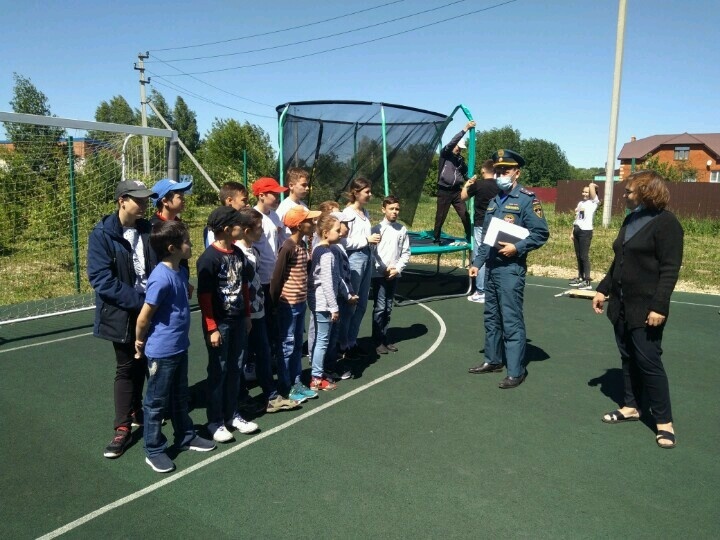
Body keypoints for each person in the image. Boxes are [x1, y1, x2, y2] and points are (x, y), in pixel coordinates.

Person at [592, 171, 683, 449]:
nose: (625, 196)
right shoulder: (631, 219)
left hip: (646, 307)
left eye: (629, 192)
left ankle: (664, 422)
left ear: (645, 192)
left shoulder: (667, 224)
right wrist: (603, 288)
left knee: (649, 361)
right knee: (628, 356)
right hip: (621, 303)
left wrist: (659, 306)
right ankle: (631, 407)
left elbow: (669, 269)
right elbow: (619, 258)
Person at [135, 221, 215, 473]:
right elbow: (144, 316)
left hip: (179, 347)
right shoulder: (160, 277)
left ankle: (185, 435)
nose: (191, 245)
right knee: (156, 402)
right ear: (172, 247)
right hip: (161, 351)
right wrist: (139, 341)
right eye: (187, 242)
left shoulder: (179, 271)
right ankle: (154, 448)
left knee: (180, 395)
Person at [87, 179, 158, 459]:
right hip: (123, 313)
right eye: (138, 199)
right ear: (122, 200)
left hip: (149, 309)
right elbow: (101, 280)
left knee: (145, 362)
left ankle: (138, 409)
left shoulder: (149, 229)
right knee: (126, 367)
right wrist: (141, 302)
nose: (143, 204)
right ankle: (122, 427)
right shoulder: (102, 234)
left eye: (145, 199)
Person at [468, 149, 549, 389]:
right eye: (498, 170)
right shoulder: (494, 202)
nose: (501, 174)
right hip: (492, 267)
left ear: (517, 172)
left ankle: (516, 370)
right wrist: (477, 264)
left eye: (506, 170)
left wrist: (518, 247)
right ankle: (493, 359)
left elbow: (541, 233)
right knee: (491, 316)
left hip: (511, 269)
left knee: (511, 319)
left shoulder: (527, 199)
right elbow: (487, 238)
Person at [196, 206, 259, 443]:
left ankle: (233, 414)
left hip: (238, 320)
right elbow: (204, 298)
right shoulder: (208, 259)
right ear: (225, 229)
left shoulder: (238, 254)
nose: (242, 228)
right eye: (238, 225)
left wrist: (247, 315)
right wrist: (212, 327)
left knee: (236, 369)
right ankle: (215, 421)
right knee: (218, 371)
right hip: (220, 324)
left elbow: (243, 286)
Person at [236, 207, 301, 413]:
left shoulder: (254, 251)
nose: (262, 232)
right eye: (258, 229)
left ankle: (271, 396)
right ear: (246, 231)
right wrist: (245, 314)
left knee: (264, 352)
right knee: (241, 356)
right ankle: (240, 398)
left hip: (258, 311)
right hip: (244, 315)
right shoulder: (237, 253)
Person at [270, 205, 322, 402]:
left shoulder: (302, 245)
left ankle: (297, 381)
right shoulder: (288, 247)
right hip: (288, 304)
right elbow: (277, 277)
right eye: (310, 221)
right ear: (300, 225)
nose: (313, 223)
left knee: (297, 345)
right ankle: (286, 385)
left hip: (300, 303)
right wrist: (274, 303)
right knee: (287, 344)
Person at [341, 177, 381, 358]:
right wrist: (366, 240)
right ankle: (343, 344)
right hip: (354, 259)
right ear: (356, 193)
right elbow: (343, 241)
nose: (370, 195)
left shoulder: (365, 212)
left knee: (362, 304)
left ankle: (352, 341)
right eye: (367, 192)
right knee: (351, 303)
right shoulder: (347, 213)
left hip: (366, 256)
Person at [371, 195, 410, 355]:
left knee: (388, 307)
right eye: (391, 209)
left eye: (397, 209)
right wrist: (382, 268)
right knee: (380, 307)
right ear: (383, 210)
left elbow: (405, 252)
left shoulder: (402, 229)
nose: (394, 212)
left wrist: (397, 269)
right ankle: (377, 340)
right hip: (379, 274)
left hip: (394, 274)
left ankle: (385, 337)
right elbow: (372, 253)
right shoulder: (376, 229)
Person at [308, 213, 342, 391]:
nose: (341, 232)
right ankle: (316, 377)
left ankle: (316, 374)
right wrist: (334, 307)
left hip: (318, 300)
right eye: (337, 230)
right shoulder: (327, 254)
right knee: (322, 339)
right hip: (323, 303)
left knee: (321, 338)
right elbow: (327, 283)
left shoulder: (318, 249)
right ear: (326, 232)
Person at [461, 159, 500, 303]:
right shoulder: (500, 186)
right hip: (497, 223)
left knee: (480, 256)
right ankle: (492, 288)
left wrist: (467, 185)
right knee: (494, 254)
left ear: (483, 171)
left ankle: (481, 290)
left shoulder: (478, 185)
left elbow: (463, 197)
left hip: (481, 224)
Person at [150, 177, 195, 299]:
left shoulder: (179, 224)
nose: (183, 200)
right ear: (165, 201)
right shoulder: (154, 228)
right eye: (179, 197)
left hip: (179, 282)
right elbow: (153, 261)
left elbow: (182, 260)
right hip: (165, 288)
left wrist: (184, 281)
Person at [433, 120, 475, 243]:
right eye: (458, 147)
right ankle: (436, 238)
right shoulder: (445, 154)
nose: (459, 150)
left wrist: (470, 179)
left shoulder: (461, 160)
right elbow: (452, 142)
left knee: (464, 214)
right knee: (441, 216)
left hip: (456, 191)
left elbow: (465, 174)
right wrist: (465, 129)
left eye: (461, 149)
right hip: (444, 190)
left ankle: (469, 236)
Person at [569, 182, 600, 290]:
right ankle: (580, 277)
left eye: (587, 192)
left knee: (584, 256)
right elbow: (579, 218)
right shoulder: (581, 203)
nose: (584, 194)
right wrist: (572, 231)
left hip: (585, 232)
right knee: (578, 256)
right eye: (583, 191)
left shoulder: (594, 202)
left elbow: (593, 189)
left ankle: (587, 281)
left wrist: (592, 185)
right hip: (577, 230)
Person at [204, 182, 249, 246]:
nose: (247, 204)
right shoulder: (216, 225)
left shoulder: (244, 220)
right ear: (230, 200)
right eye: (244, 200)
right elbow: (215, 250)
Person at [276, 167, 310, 238]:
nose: (307, 188)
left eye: (307, 185)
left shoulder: (304, 206)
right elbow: (276, 231)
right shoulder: (284, 207)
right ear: (291, 186)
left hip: (302, 247)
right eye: (303, 185)